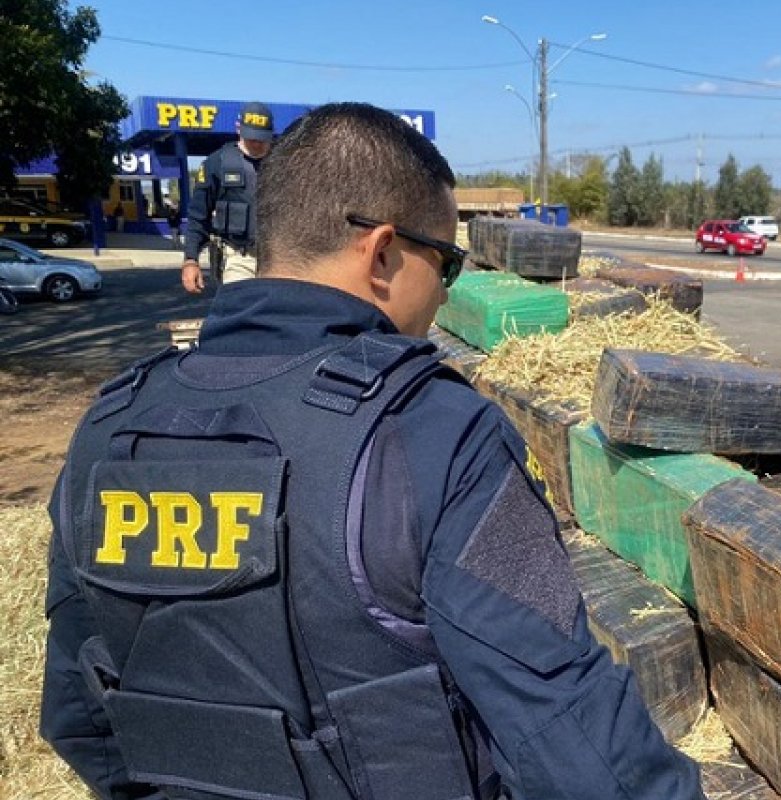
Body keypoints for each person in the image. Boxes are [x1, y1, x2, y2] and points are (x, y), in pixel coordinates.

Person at [40, 102, 703, 800]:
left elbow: (78, 714)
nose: (445, 296)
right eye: (446, 263)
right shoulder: (435, 429)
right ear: (383, 250)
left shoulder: (110, 426)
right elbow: (572, 737)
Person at [181, 101, 274, 293]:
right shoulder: (217, 163)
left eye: (262, 139)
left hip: (279, 259)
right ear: (238, 129)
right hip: (238, 257)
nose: (257, 144)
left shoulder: (283, 163)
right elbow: (198, 216)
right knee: (240, 311)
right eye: (252, 138)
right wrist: (191, 260)